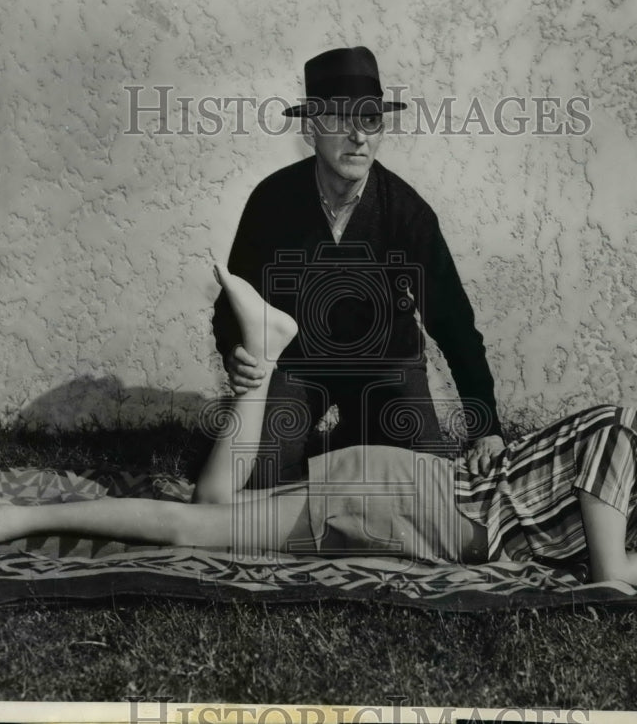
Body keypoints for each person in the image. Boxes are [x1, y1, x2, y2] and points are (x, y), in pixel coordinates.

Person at [0, 267, 637, 588]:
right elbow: (613, 578)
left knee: (214, 507)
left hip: (419, 499)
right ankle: (13, 521)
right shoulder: (623, 436)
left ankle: (263, 360)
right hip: (416, 506)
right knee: (200, 529)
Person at [212, 46, 504, 488]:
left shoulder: (407, 213)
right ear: (311, 130)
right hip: (301, 365)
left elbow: (455, 323)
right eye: (340, 119)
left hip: (388, 364)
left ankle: (354, 439)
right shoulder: (273, 202)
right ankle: (336, 448)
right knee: (258, 482)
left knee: (426, 489)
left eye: (370, 120)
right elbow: (233, 302)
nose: (358, 136)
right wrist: (235, 350)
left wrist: (486, 429)